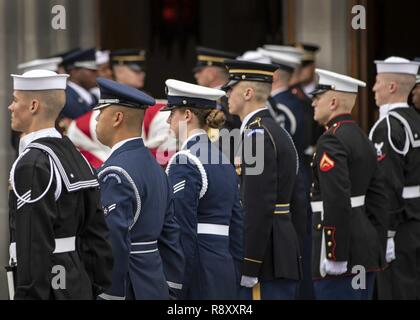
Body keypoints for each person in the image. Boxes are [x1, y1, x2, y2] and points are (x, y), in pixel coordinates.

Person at [7, 70, 113, 300]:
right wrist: (93, 285)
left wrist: (30, 295)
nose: (10, 107)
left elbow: (33, 244)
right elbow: (96, 233)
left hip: (49, 284)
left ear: (33, 105)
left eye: (15, 100)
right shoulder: (75, 154)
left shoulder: (32, 164)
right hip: (77, 279)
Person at [94, 78, 185, 300]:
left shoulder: (115, 172)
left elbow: (113, 240)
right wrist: (171, 286)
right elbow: (170, 233)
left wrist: (109, 295)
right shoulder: (154, 167)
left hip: (129, 287)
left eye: (101, 112)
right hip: (155, 284)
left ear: (117, 118)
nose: (96, 118)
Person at [224, 60, 303, 300]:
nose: (226, 94)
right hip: (278, 251)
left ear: (247, 93)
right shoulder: (270, 130)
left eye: (231, 88)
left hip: (265, 259)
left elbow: (257, 206)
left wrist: (249, 264)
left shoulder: (257, 136)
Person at [309, 69, 388, 300]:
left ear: (333, 101)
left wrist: (334, 254)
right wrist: (377, 244)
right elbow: (379, 199)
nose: (313, 103)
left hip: (342, 251)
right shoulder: (362, 137)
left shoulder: (331, 139)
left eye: (318, 97)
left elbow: (336, 199)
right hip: (364, 249)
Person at [163, 79, 243, 300]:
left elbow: (181, 229)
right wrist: (235, 272)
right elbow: (236, 224)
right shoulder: (223, 159)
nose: (168, 120)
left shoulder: (185, 161)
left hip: (198, 271)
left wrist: (177, 284)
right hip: (223, 269)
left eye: (172, 113)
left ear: (187, 115)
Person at [369, 57, 420, 300]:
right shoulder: (415, 119)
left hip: (400, 227)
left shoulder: (389, 126)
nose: (373, 88)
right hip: (415, 219)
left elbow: (387, 187)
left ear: (391, 87)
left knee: (396, 291)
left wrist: (387, 234)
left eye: (378, 82)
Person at [194, 47, 241, 160]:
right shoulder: (217, 99)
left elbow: (224, 141)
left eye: (200, 71)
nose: (196, 75)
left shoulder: (225, 101)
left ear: (212, 74)